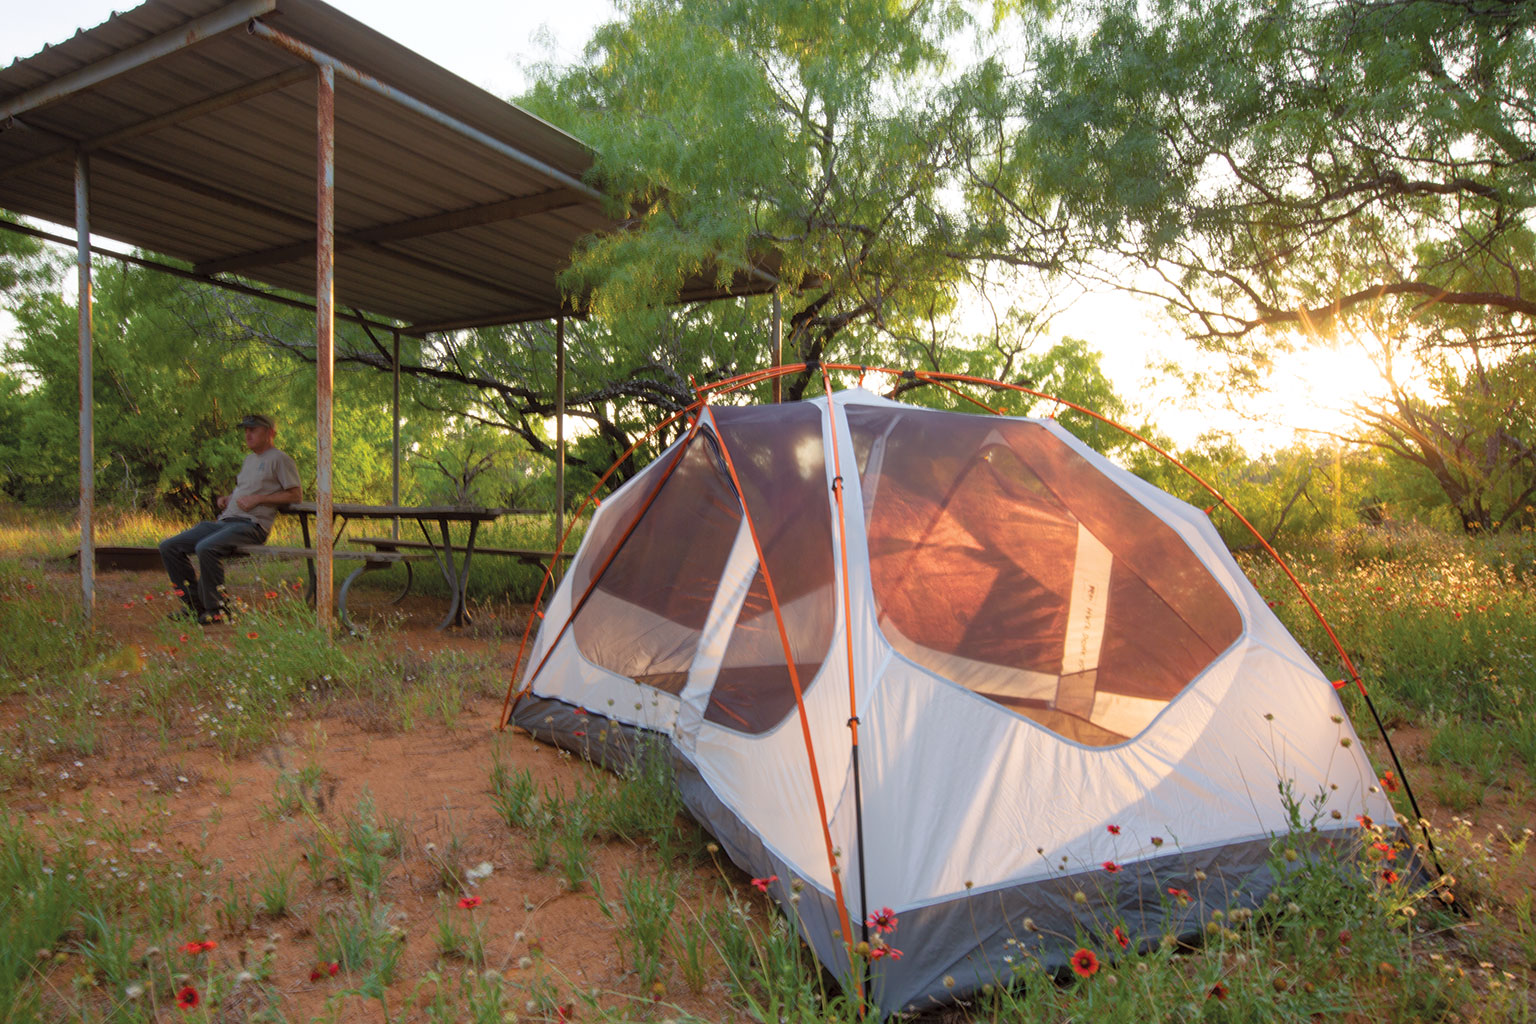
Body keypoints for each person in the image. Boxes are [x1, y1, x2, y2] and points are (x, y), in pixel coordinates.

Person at [160, 414, 302, 623]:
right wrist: (230, 498)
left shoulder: (280, 459)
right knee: (169, 546)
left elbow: (296, 495)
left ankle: (218, 610)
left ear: (270, 433)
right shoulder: (249, 459)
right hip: (226, 522)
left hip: (252, 525)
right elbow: (244, 489)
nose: (248, 434)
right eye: (245, 430)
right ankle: (194, 607)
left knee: (205, 548)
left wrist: (259, 499)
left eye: (253, 429)